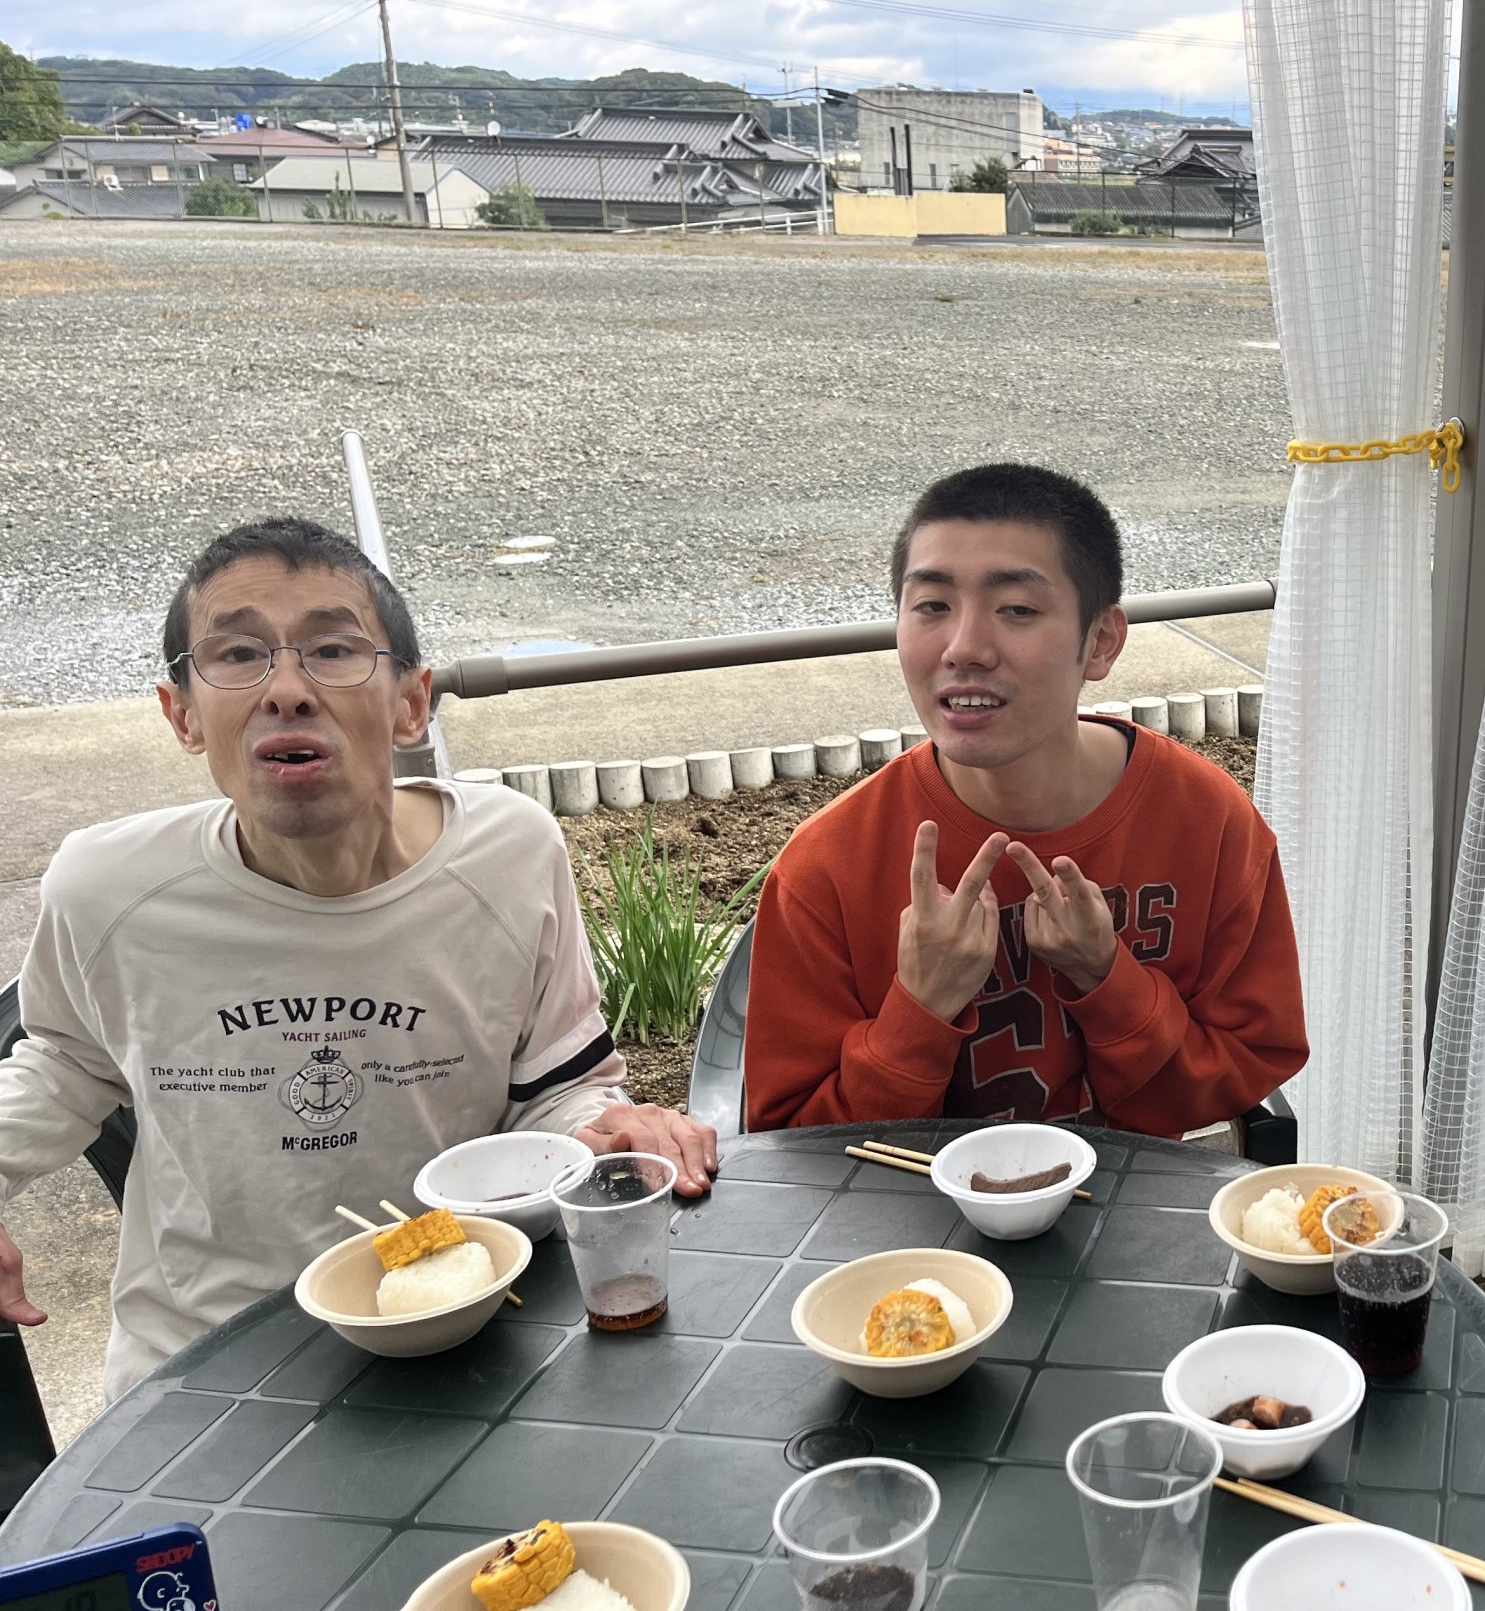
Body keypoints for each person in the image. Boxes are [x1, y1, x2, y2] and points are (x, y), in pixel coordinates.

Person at [0, 516, 718, 1398]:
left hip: (474, 1315)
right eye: (237, 655)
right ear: (181, 713)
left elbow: (559, 1088)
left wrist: (606, 1131)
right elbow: (66, 1063)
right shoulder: (108, 886)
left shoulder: (509, 853)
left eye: (333, 650)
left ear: (412, 702)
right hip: (202, 1364)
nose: (287, 691)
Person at [745, 463, 1307, 1135]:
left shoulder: (1203, 820)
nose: (965, 649)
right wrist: (919, 1009)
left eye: (1016, 609)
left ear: (1100, 641)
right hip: (902, 1208)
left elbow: (1249, 1065)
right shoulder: (829, 866)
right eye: (932, 606)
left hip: (1131, 1196)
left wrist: (1108, 979)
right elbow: (788, 1146)